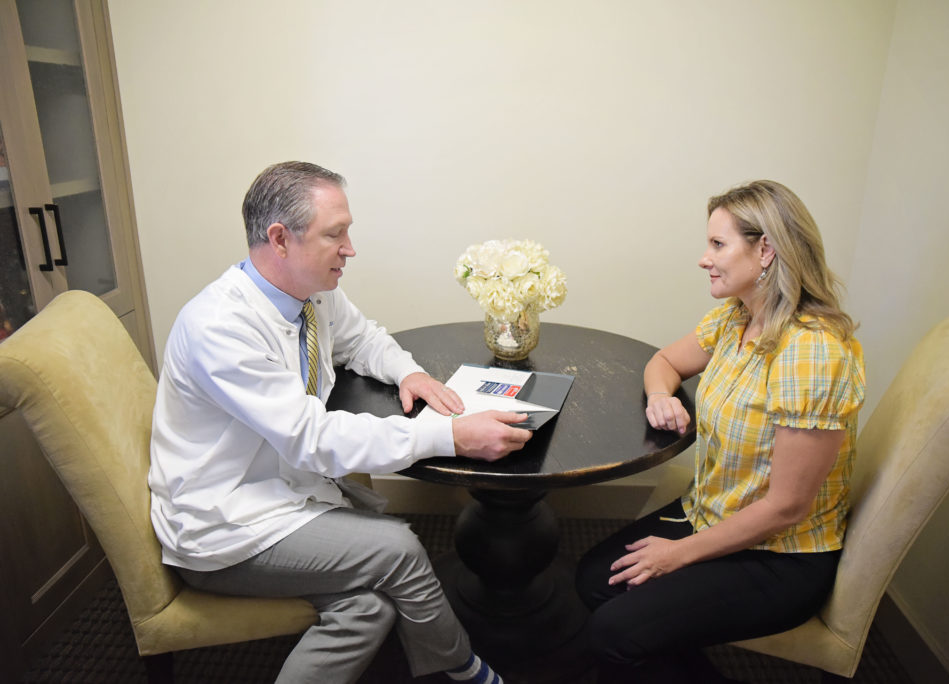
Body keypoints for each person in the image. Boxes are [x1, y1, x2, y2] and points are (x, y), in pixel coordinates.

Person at [149, 161, 532, 684]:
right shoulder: (221, 327)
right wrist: (449, 436)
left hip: (285, 490)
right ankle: (464, 672)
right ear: (280, 238)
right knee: (396, 548)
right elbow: (312, 439)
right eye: (336, 234)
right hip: (225, 523)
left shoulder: (311, 292)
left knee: (368, 608)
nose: (350, 248)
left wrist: (409, 372)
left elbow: (361, 338)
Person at [574, 180, 866, 683]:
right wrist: (663, 395)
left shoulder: (811, 354)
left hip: (778, 556)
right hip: (710, 512)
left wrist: (675, 555)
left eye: (717, 244)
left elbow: (787, 507)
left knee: (612, 633)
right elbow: (663, 361)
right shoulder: (736, 318)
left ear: (766, 250)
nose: (703, 259)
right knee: (593, 579)